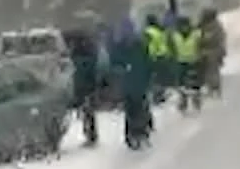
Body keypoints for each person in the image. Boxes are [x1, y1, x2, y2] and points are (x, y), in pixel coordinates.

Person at [110, 17, 154, 148]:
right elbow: (114, 64)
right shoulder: (123, 47)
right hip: (130, 84)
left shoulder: (137, 46)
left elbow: (147, 62)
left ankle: (140, 133)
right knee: (133, 110)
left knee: (139, 109)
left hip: (137, 82)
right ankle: (134, 135)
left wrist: (149, 75)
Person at [62, 23, 100, 146]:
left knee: (87, 112)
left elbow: (80, 72)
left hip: (84, 86)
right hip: (88, 86)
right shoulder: (88, 52)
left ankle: (91, 135)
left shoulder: (79, 56)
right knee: (88, 112)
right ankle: (91, 134)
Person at [171, 15, 203, 113]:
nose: (184, 28)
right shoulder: (174, 35)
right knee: (181, 86)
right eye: (182, 26)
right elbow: (171, 48)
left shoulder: (196, 34)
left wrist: (201, 55)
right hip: (181, 62)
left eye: (185, 25)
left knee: (195, 85)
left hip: (194, 61)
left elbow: (201, 45)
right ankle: (183, 103)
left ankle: (196, 101)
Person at [142, 12, 171, 105]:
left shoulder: (148, 32)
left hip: (154, 56)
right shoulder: (160, 31)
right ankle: (160, 95)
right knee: (160, 78)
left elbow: (150, 46)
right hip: (163, 55)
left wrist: (149, 56)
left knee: (153, 78)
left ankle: (157, 97)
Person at [198, 6, 227, 96]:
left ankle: (215, 88)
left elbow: (218, 38)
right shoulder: (202, 25)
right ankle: (212, 87)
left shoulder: (216, 26)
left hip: (213, 50)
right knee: (208, 70)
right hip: (205, 50)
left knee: (213, 70)